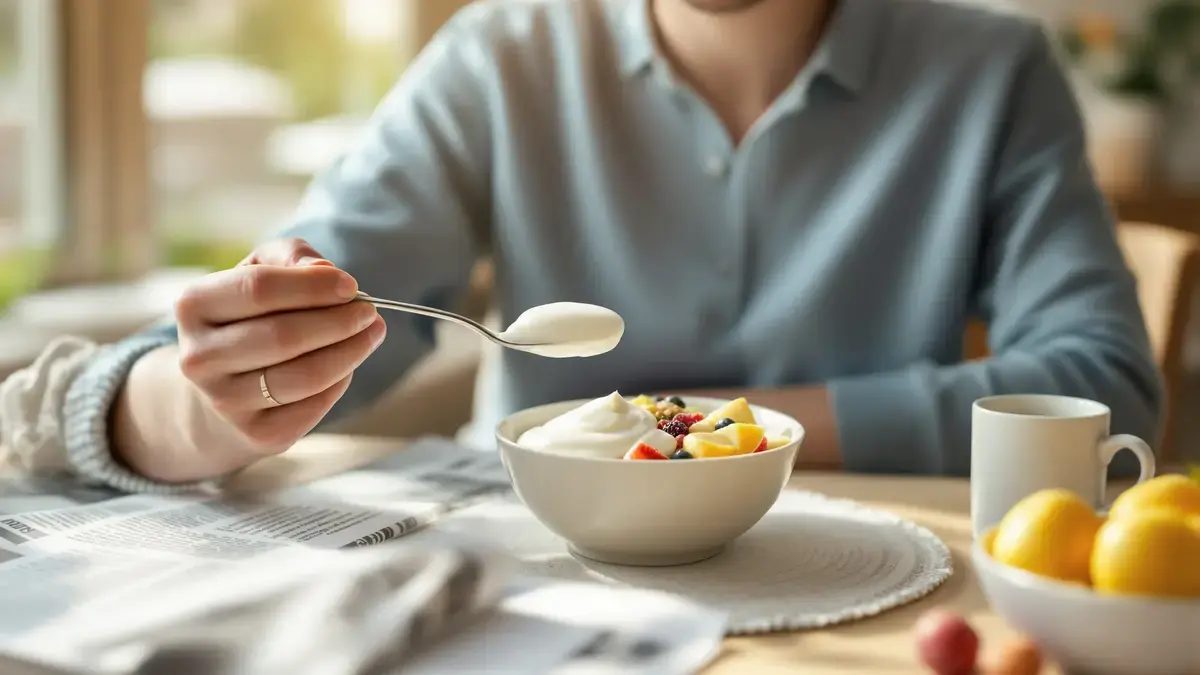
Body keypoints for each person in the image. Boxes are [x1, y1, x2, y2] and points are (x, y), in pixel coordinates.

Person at [0, 0, 1161, 492]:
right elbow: (296, 318)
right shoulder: (499, 58)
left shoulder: (990, 69)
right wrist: (203, 407)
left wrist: (687, 436)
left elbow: (1101, 388)